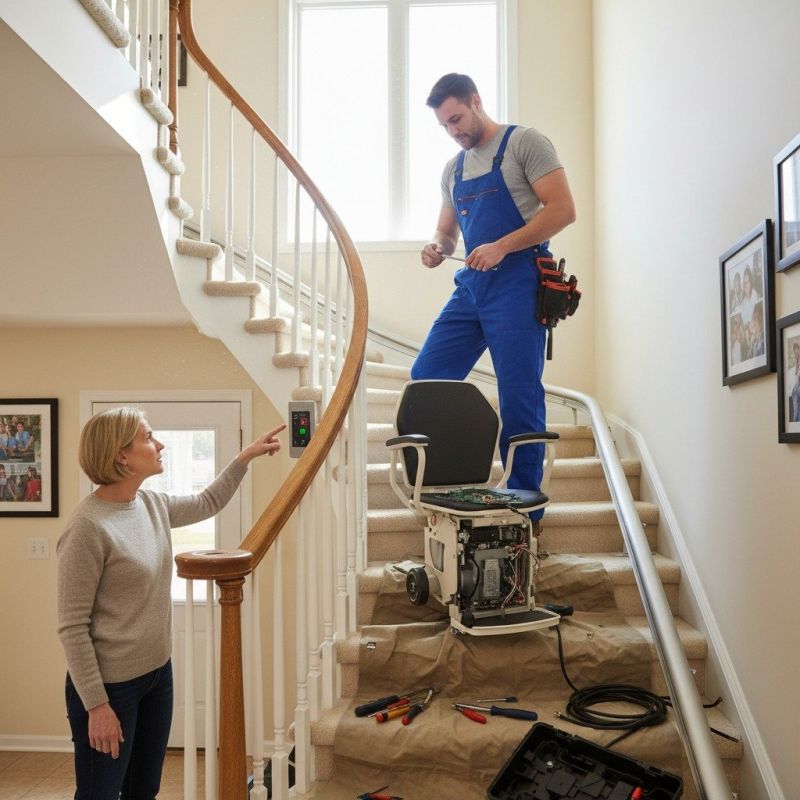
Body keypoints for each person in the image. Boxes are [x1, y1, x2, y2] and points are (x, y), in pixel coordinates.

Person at [57, 407, 285, 800]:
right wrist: (97, 706)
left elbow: (207, 501)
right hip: (109, 689)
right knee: (99, 793)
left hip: (157, 675)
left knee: (144, 789)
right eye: (148, 437)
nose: (159, 444)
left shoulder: (151, 504)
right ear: (121, 455)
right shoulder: (87, 528)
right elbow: (72, 627)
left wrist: (244, 458)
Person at [411, 73, 576, 520]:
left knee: (519, 393)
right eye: (445, 126)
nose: (454, 131)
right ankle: (445, 483)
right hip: (471, 287)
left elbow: (563, 209)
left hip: (520, 282)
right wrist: (437, 249)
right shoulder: (454, 168)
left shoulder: (525, 144)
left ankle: (525, 510)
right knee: (426, 378)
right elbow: (446, 234)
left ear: (477, 102)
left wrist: (503, 245)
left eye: (457, 119)